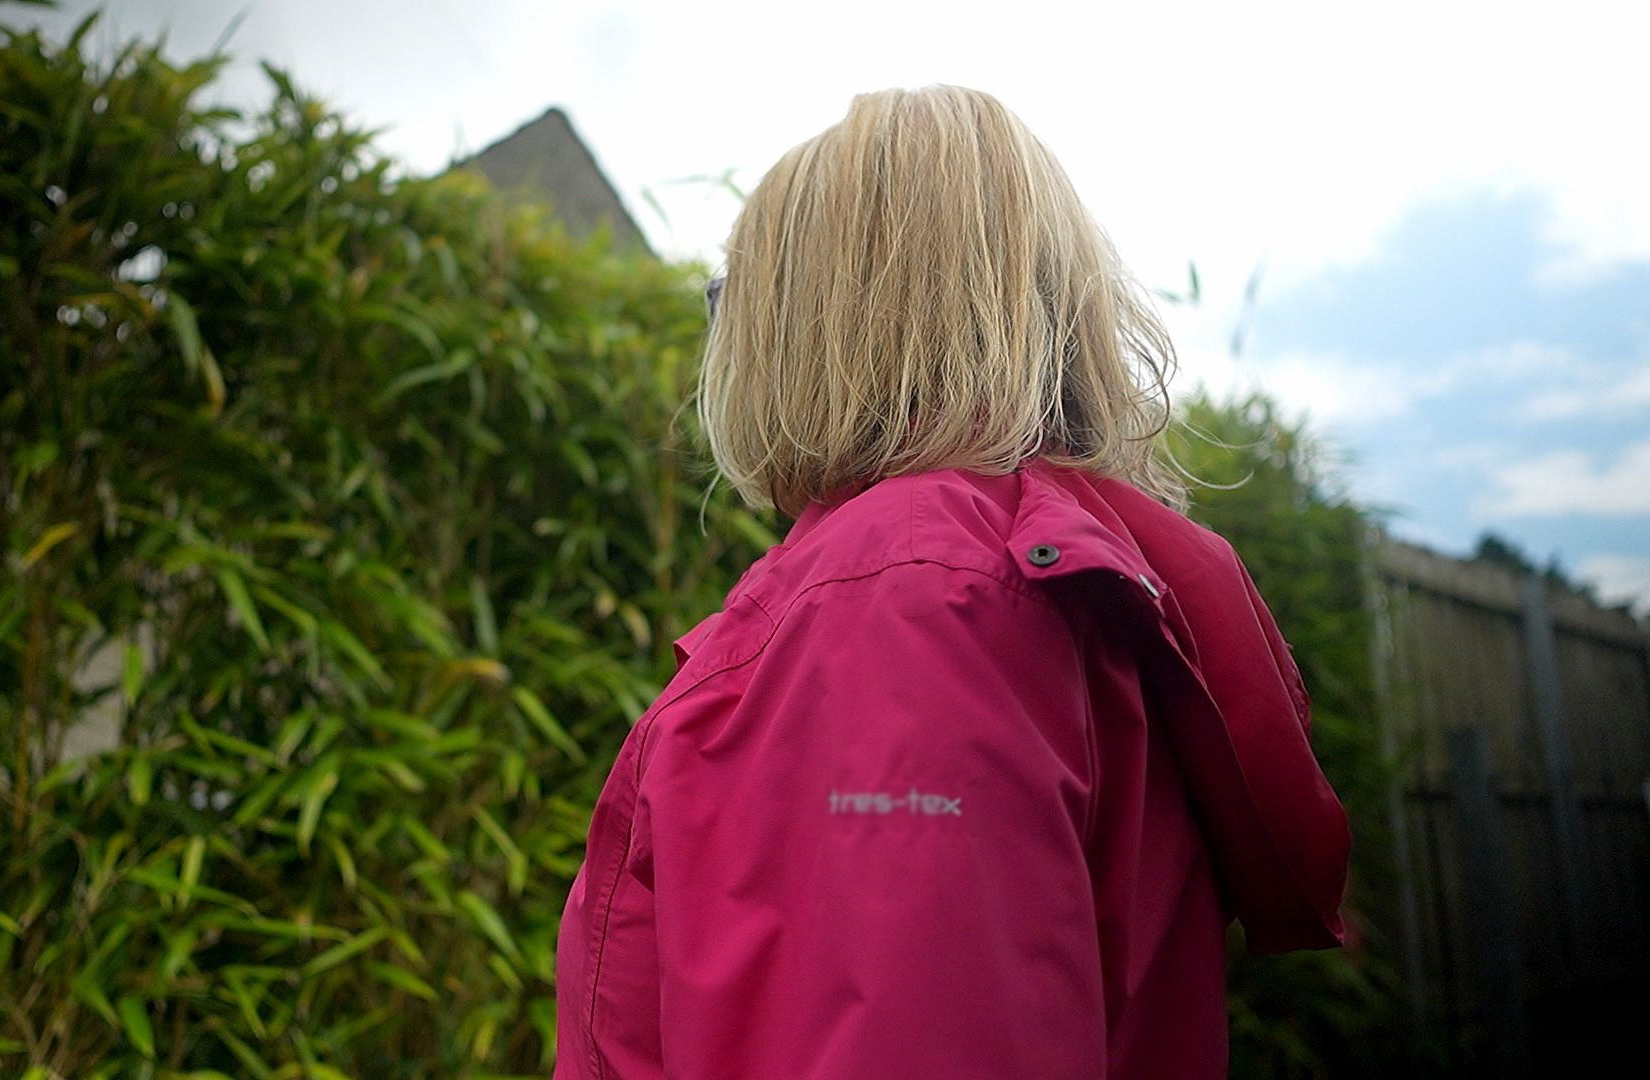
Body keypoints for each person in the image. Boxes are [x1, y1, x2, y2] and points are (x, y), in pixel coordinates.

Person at [551, 84, 1351, 1080]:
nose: (722, 334)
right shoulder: (1005, 578)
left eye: (735, 291)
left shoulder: (906, 600)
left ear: (825, 317)